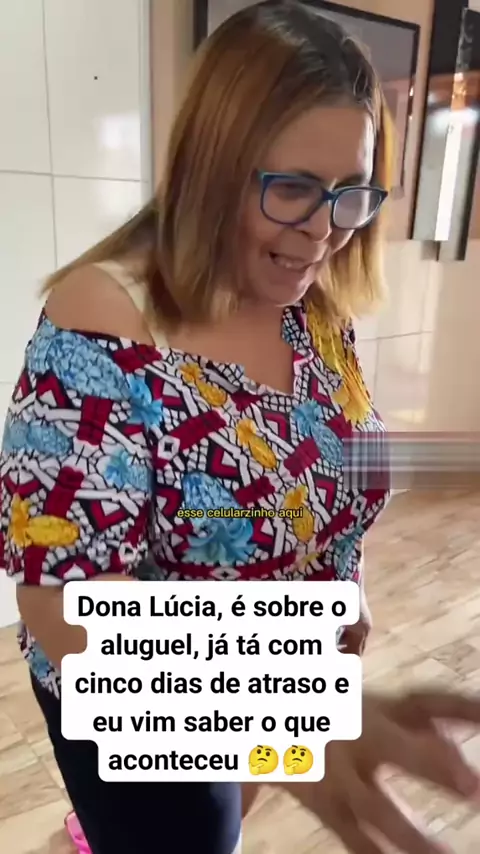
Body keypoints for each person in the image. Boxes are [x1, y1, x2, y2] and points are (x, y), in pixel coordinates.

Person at [0, 2, 479, 852]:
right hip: (140, 709)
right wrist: (290, 702)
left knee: (232, 805)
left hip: (280, 671)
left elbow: (331, 457)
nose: (325, 231)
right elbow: (60, 603)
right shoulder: (101, 326)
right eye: (292, 188)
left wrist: (339, 582)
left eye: (350, 193)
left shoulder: (311, 305)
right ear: (211, 167)